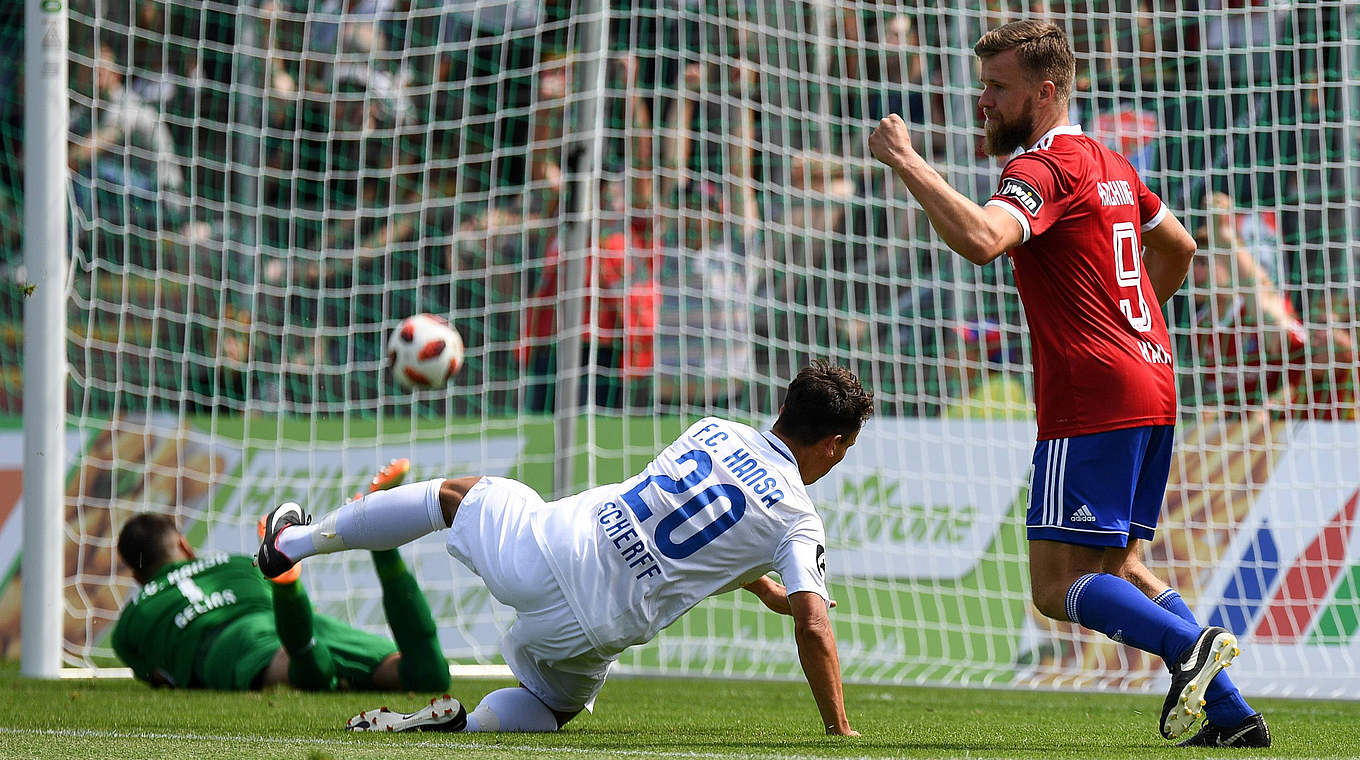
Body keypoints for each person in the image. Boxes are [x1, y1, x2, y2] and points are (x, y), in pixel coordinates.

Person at [868, 20, 1269, 748]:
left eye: (998, 87)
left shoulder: (1042, 168)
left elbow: (984, 241)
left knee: (1056, 588)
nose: (983, 100)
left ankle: (1189, 649)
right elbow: (1178, 244)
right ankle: (1232, 709)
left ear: (1045, 92)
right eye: (983, 84)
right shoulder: (1111, 163)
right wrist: (1134, 321)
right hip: (1153, 378)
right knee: (1125, 565)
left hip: (1091, 393)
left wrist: (907, 162)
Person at [256, 362, 872, 735]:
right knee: (551, 709)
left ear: (784, 407)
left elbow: (695, 508)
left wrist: (758, 582)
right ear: (836, 444)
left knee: (454, 496)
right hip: (595, 629)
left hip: (551, 550)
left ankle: (292, 544)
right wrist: (837, 728)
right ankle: (465, 725)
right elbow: (810, 619)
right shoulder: (797, 517)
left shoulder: (714, 430)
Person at [112, 460, 449, 693]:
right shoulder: (236, 563)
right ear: (183, 545)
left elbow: (160, 677)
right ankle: (380, 538)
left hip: (230, 645)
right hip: (293, 621)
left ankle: (290, 590)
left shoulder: (130, 622)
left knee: (310, 673)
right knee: (428, 676)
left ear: (137, 575)